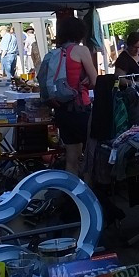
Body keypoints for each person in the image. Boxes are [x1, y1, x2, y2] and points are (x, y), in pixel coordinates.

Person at [51, 16, 99, 177]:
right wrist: (86, 81)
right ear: (80, 32)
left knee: (71, 157)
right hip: (80, 108)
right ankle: (87, 196)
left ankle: (70, 196)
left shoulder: (56, 53)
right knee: (90, 156)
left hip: (61, 110)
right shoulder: (81, 50)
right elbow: (95, 81)